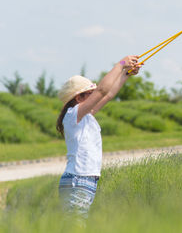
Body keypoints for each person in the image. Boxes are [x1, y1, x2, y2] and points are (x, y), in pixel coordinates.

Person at [56, 56, 141, 217]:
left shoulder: (85, 115)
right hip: (78, 179)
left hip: (83, 180)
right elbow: (102, 90)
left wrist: (125, 74)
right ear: (78, 98)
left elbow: (107, 95)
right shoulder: (74, 114)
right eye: (90, 93)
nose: (95, 95)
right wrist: (121, 64)